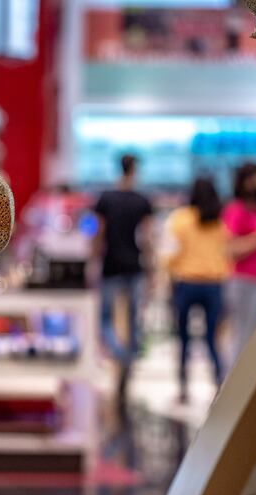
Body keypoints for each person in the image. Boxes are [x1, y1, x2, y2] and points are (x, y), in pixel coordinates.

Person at [92, 154, 154, 402]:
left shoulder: (106, 198)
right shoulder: (142, 200)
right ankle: (128, 357)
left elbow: (98, 233)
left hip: (111, 265)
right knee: (133, 317)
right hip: (134, 265)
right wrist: (152, 267)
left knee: (104, 319)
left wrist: (93, 259)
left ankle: (119, 353)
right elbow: (148, 238)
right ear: (135, 169)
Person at [166, 178, 230, 403]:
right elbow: (227, 251)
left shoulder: (181, 219)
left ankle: (183, 387)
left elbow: (170, 254)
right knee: (212, 337)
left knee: (183, 337)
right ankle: (220, 382)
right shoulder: (220, 222)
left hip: (186, 283)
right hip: (214, 284)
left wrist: (168, 274)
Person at [223, 163, 256, 360]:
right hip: (244, 281)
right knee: (243, 335)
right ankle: (232, 383)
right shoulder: (236, 209)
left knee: (255, 337)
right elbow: (230, 249)